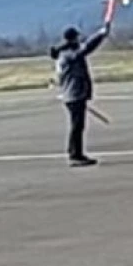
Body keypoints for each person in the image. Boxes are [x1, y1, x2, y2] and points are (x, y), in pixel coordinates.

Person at [50, 22, 111, 166]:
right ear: (72, 39)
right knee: (77, 126)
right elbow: (86, 48)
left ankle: (76, 153)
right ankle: (75, 155)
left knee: (78, 126)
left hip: (74, 95)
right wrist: (101, 34)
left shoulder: (65, 54)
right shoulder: (68, 55)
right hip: (74, 95)